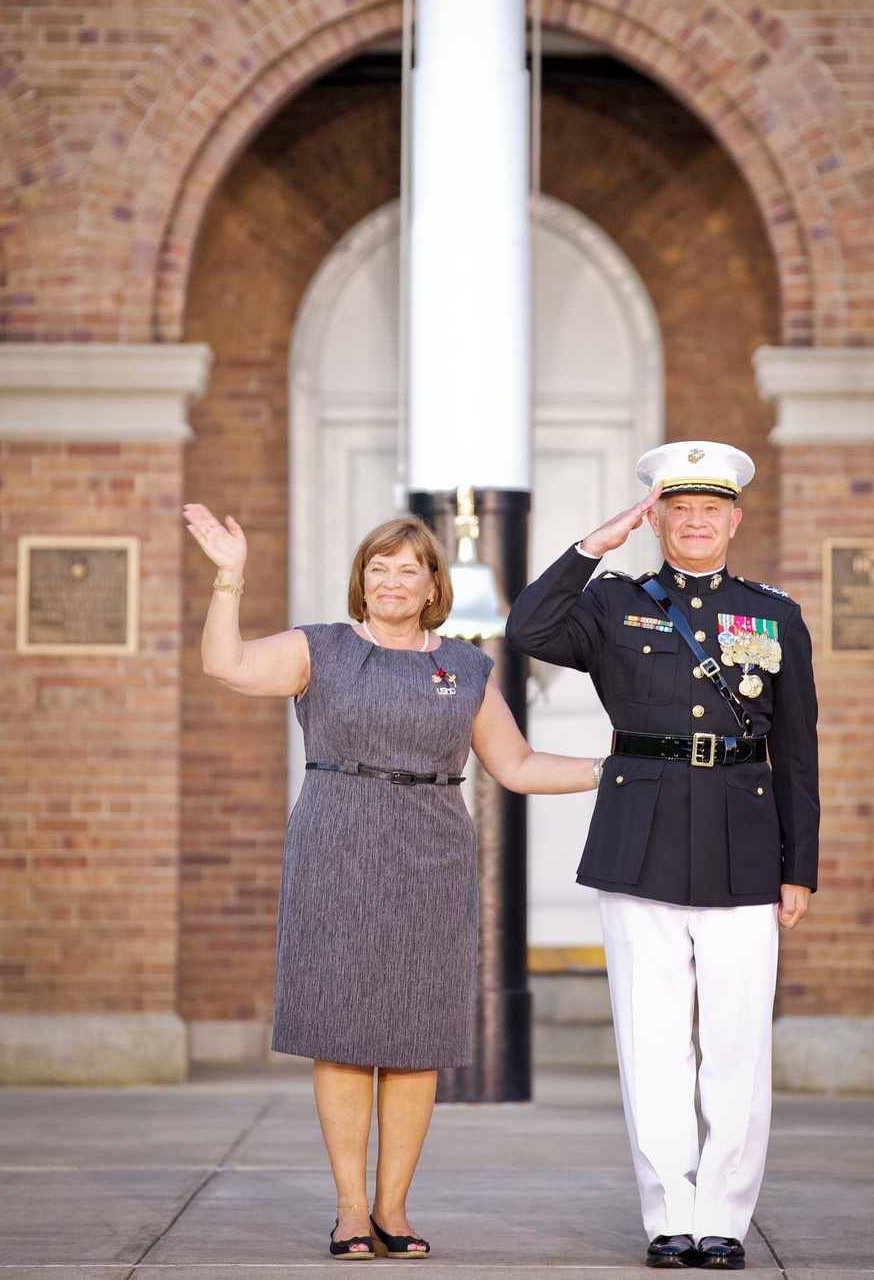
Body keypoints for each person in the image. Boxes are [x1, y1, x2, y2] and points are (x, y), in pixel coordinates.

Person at [183, 503, 602, 1262]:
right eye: (378, 568)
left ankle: (394, 1209)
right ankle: (349, 1211)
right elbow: (226, 664)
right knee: (342, 1033)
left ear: (433, 583)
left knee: (415, 1039)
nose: (392, 580)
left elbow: (516, 766)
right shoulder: (323, 649)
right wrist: (229, 577)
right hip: (337, 845)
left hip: (432, 855)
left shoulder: (467, 667)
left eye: (408, 569)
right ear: (362, 580)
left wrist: (616, 770)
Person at [505, 441, 819, 1272]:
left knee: (737, 1045)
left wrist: (800, 865)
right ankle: (669, 1217)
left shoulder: (773, 613)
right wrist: (591, 548)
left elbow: (797, 750)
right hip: (638, 838)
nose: (695, 523)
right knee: (653, 1045)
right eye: (677, 508)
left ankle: (723, 1219)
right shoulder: (613, 604)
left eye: (710, 509)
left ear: (733, 520)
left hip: (746, 844)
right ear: (657, 518)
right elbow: (528, 627)